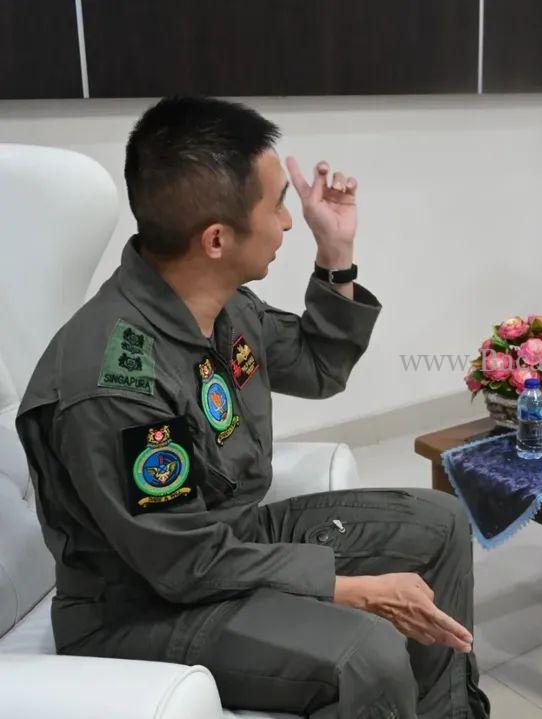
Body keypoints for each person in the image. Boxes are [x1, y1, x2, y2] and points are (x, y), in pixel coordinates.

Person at [16, 96, 489, 718]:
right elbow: (181, 564)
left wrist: (336, 254)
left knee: (440, 523)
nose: (289, 223)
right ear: (216, 239)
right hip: (140, 606)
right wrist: (354, 591)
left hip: (227, 543)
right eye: (277, 207)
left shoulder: (224, 306)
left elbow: (318, 367)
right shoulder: (115, 382)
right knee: (365, 655)